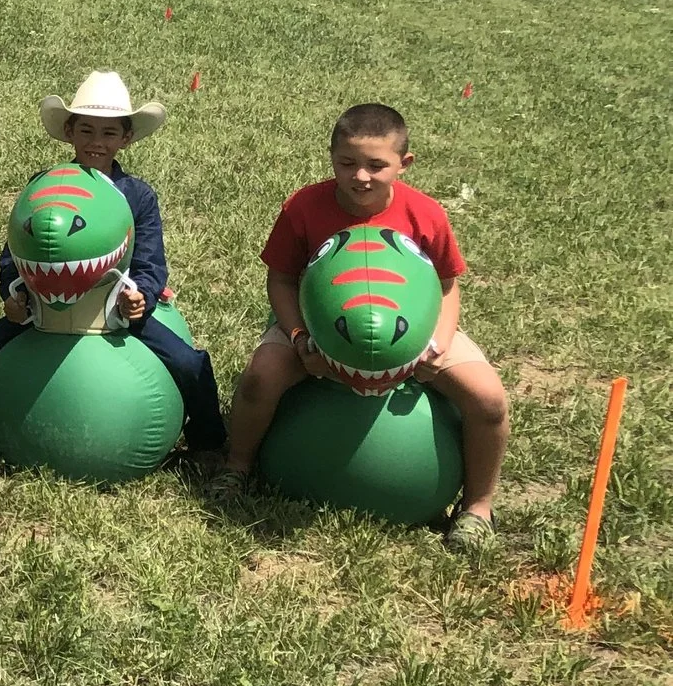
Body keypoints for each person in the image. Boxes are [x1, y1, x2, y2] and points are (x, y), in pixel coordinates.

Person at [216, 102, 509, 547]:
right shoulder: (304, 206)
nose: (360, 176)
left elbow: (447, 286)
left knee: (488, 399)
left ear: (404, 164)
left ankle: (478, 507)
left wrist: (437, 342)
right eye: (347, 163)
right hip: (315, 326)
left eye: (377, 165)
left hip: (415, 329)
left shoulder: (426, 213)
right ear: (331, 157)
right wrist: (298, 337)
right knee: (261, 377)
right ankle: (236, 467)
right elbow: (282, 279)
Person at [0, 71, 224, 455]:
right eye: (86, 130)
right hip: (43, 307)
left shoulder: (138, 196)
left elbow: (150, 261)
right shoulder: (45, 186)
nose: (97, 141)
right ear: (69, 131)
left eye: (109, 133)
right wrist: (14, 294)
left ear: (126, 138)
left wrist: (140, 296)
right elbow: (16, 251)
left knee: (189, 363)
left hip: (113, 308)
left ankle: (209, 442)